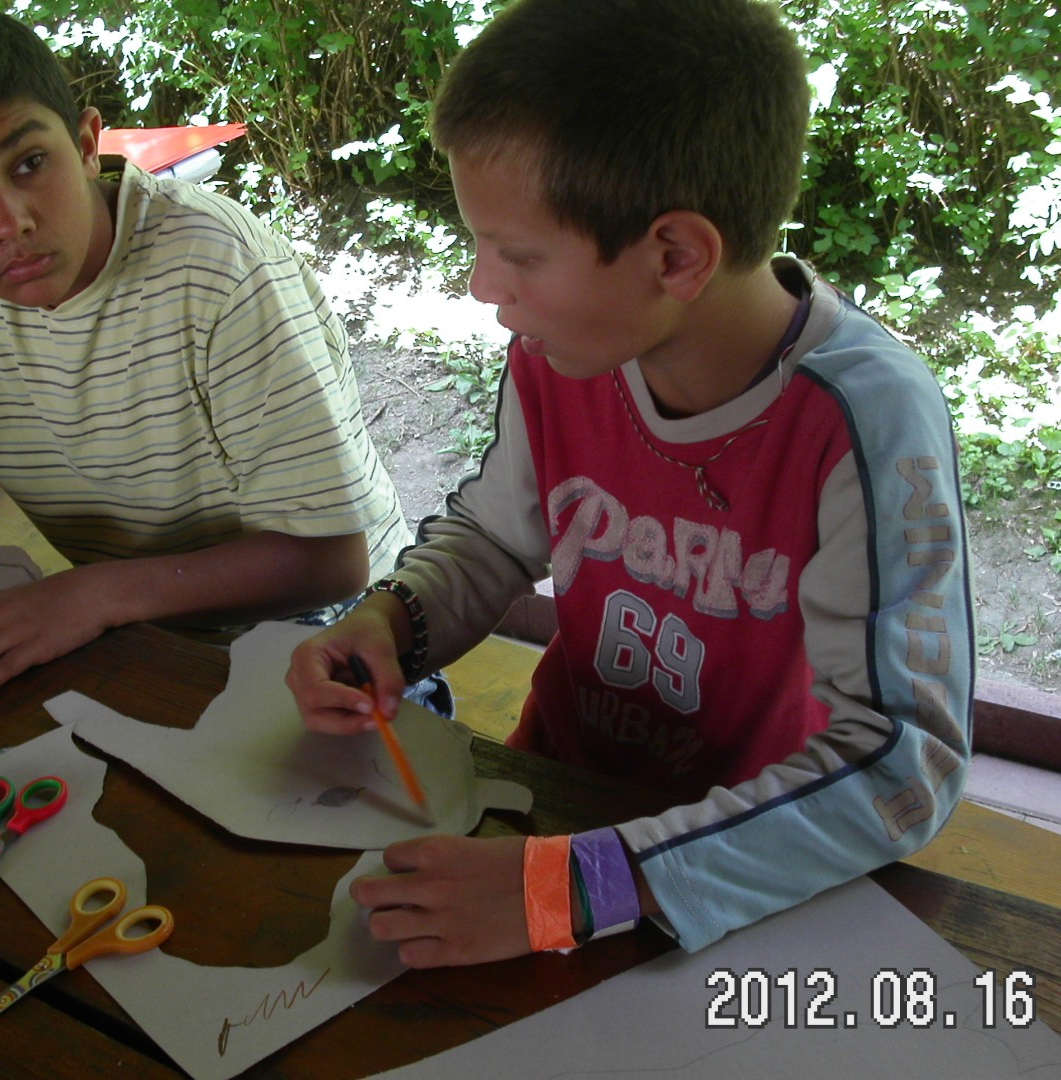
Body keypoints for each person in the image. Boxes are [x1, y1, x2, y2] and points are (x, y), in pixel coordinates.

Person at [286, 0, 973, 968]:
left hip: (745, 868)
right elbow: (496, 537)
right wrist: (388, 622)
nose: (483, 286)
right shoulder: (565, 354)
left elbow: (901, 767)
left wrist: (573, 889)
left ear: (677, 256)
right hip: (556, 800)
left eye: (518, 255)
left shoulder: (863, 419)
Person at [0, 2, 407, 703]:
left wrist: (92, 596)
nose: (8, 223)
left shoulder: (216, 273)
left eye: (29, 164)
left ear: (86, 144)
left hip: (335, 637)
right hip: (138, 629)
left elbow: (330, 562)